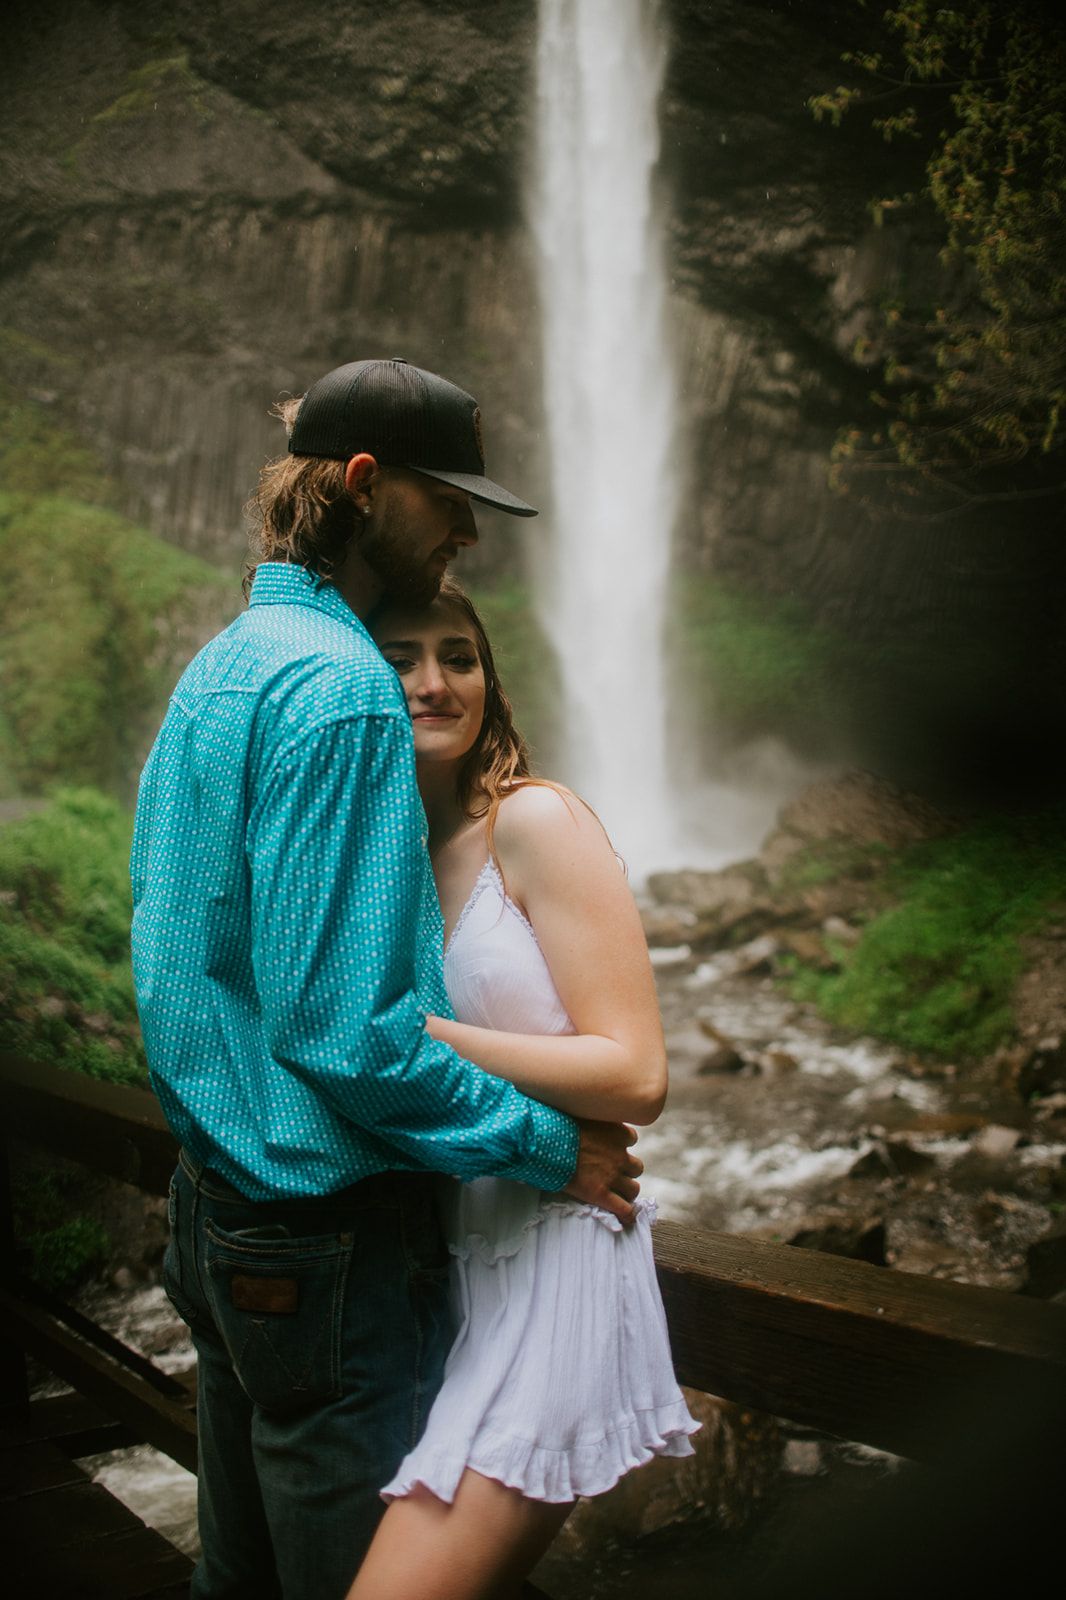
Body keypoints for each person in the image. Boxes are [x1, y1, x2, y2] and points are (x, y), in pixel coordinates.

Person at [129, 358, 642, 1600]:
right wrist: (546, 1145)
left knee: (234, 1580)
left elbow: (168, 939)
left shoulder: (227, 663)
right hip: (322, 1243)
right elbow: (347, 1033)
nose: (466, 527)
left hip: (213, 1207)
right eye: (447, 498)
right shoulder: (347, 691)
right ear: (363, 485)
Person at [348, 579, 699, 1600]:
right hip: (460, 1266)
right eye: (401, 657)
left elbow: (636, 1072)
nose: (432, 679)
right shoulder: (395, 863)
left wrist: (416, 1037)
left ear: (490, 683)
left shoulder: (532, 821)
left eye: (458, 656)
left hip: (559, 1255)